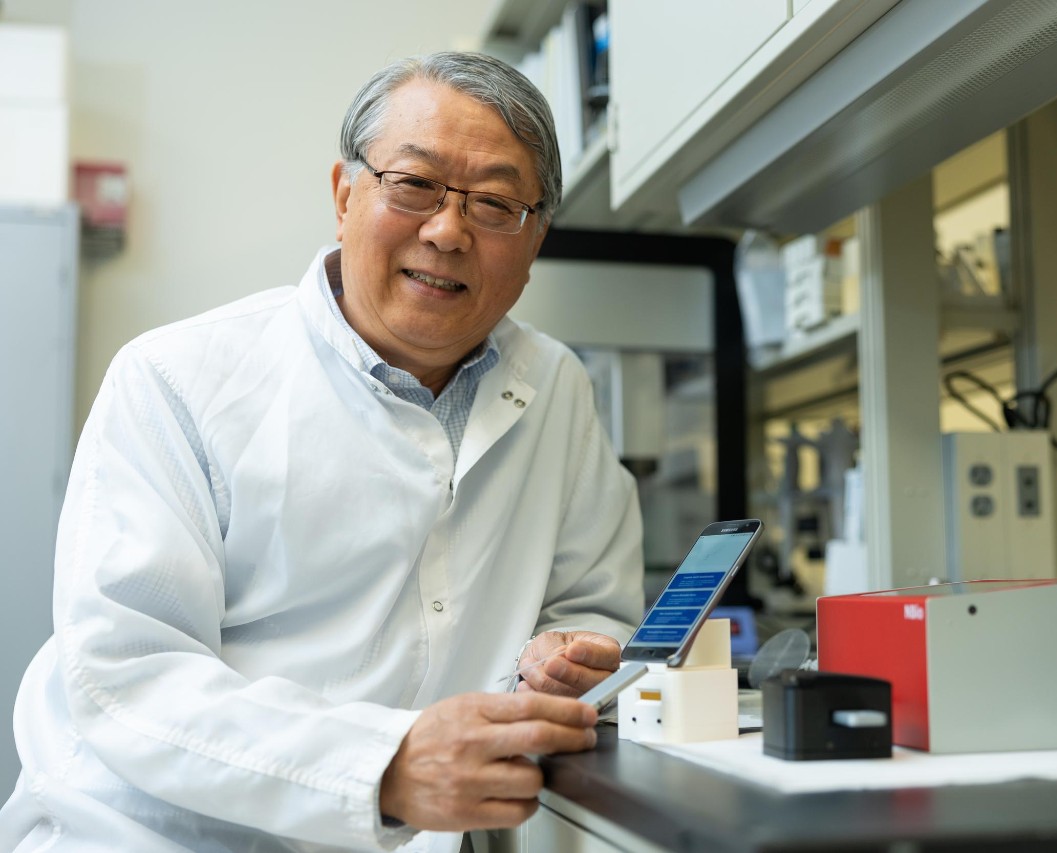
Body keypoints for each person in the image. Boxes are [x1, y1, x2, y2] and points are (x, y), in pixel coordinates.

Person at [0, 52, 643, 853]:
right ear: (345, 195)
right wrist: (382, 767)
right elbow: (128, 671)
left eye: (495, 204)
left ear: (536, 234)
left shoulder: (557, 389)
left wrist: (570, 655)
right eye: (414, 185)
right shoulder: (176, 378)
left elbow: (595, 606)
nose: (447, 231)